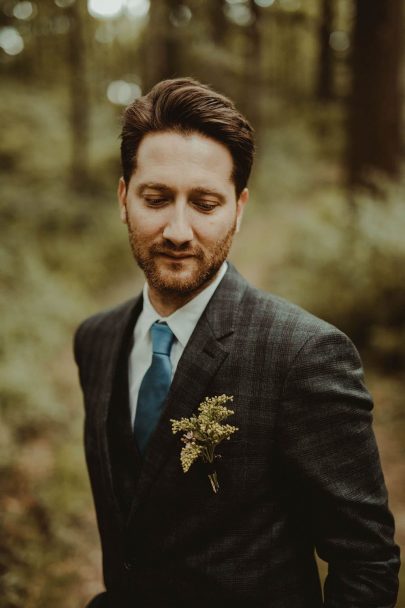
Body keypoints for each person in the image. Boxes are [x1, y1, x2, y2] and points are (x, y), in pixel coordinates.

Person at [74, 78, 400, 608]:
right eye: (156, 198)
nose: (178, 230)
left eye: (204, 203)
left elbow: (365, 563)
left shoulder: (305, 356)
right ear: (123, 198)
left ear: (239, 208)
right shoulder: (96, 341)